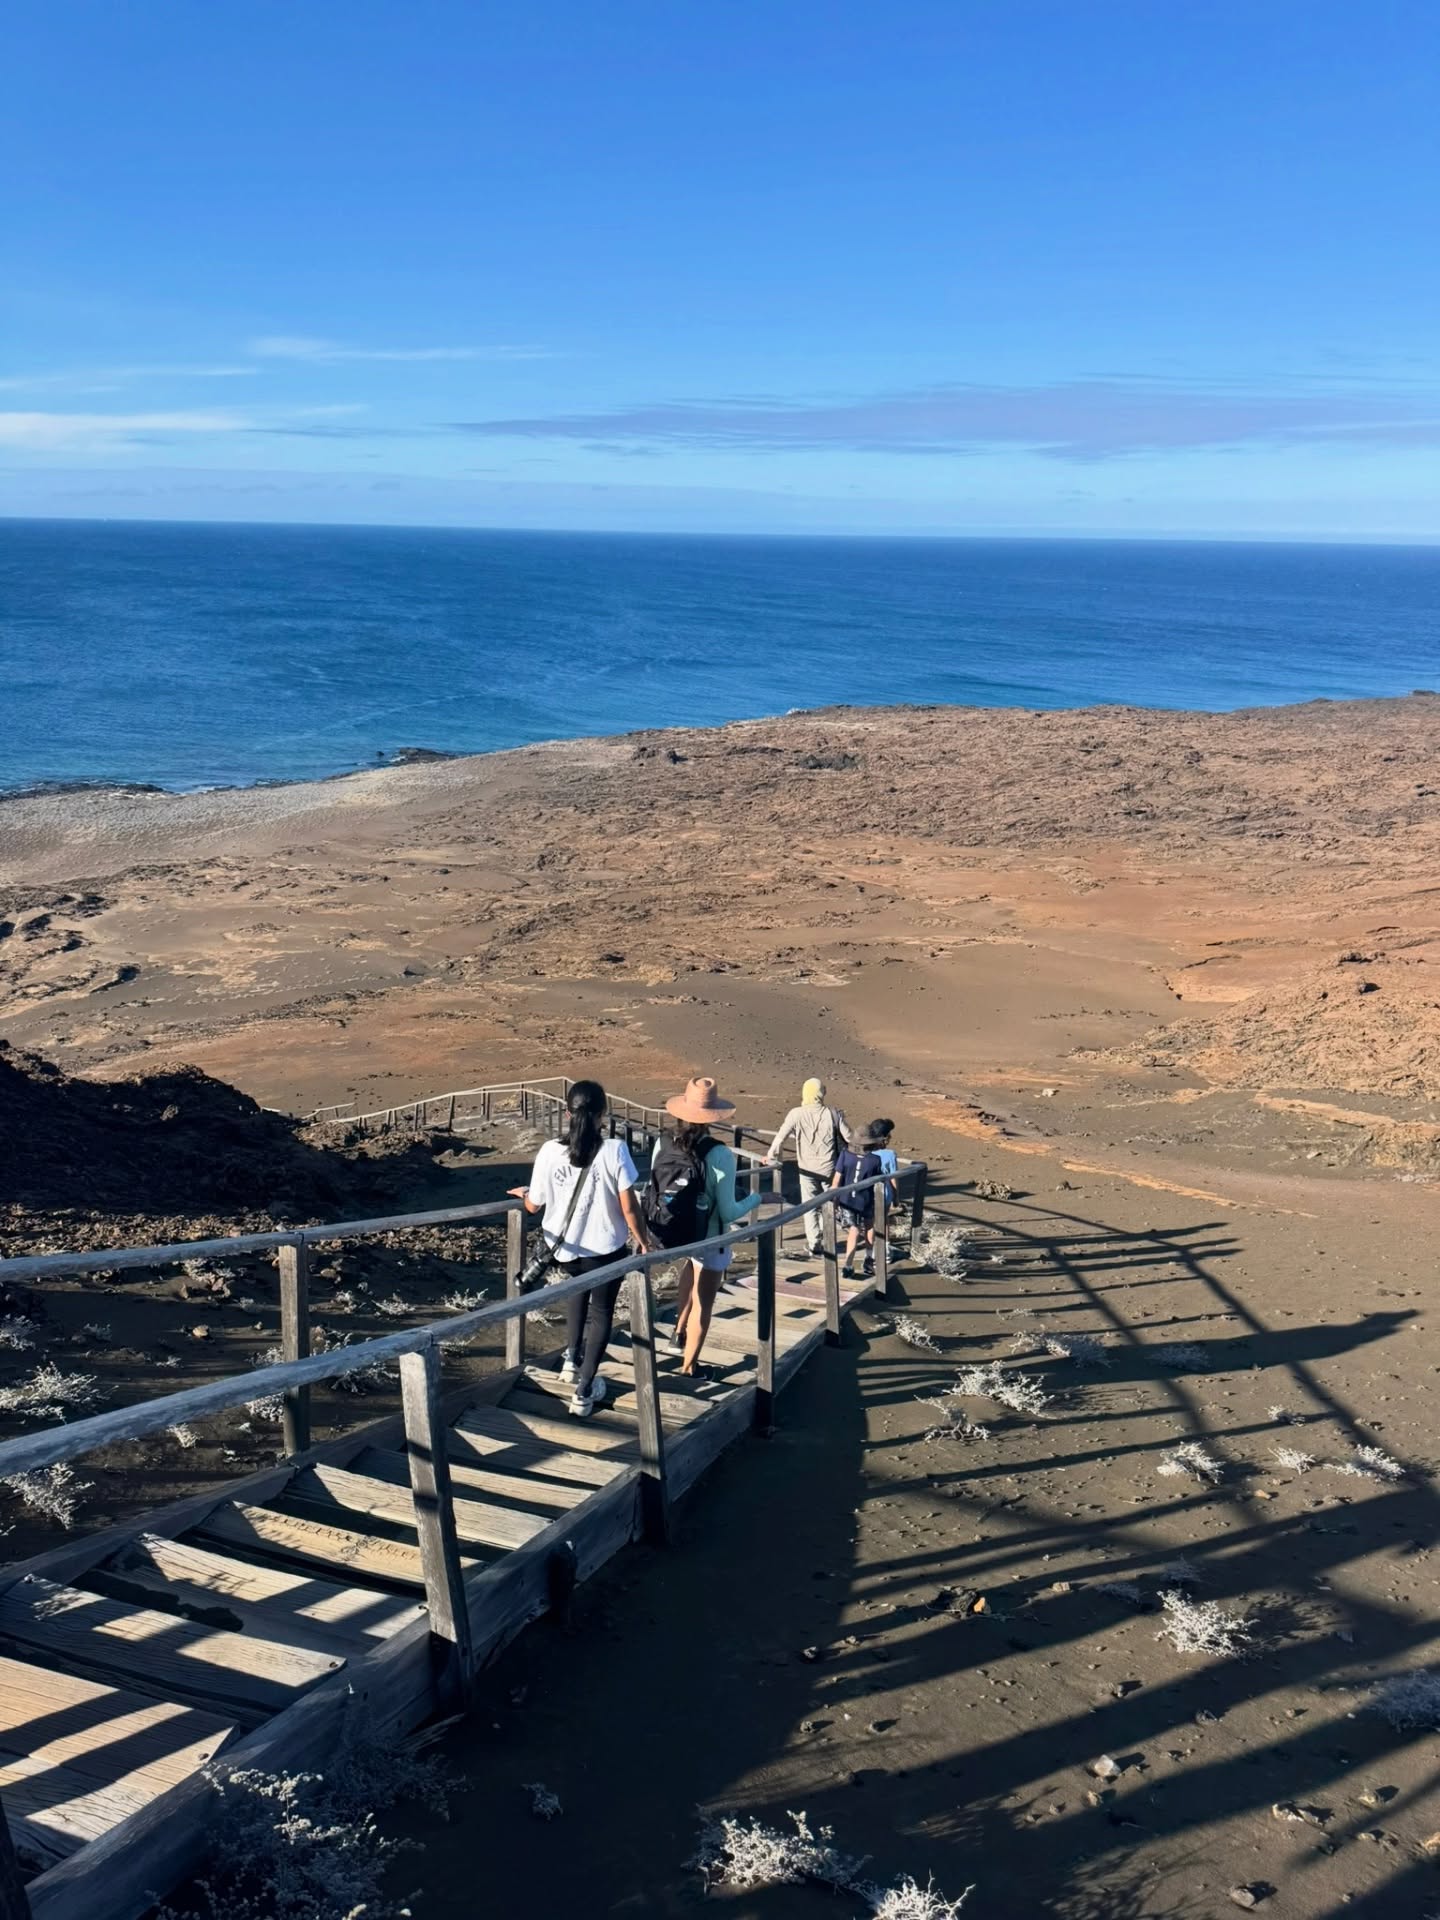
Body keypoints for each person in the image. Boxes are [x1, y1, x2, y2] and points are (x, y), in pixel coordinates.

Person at [508, 1079, 653, 1418]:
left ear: (566, 1112)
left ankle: (571, 1362)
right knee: (601, 1313)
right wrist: (644, 1241)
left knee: (576, 1294)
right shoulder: (615, 1150)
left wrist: (524, 1194)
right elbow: (630, 1207)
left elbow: (533, 1207)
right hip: (605, 1249)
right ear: (604, 1114)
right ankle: (584, 1390)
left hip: (564, 1249)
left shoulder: (548, 1151)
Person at [646, 1077, 762, 1376]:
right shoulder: (719, 1153)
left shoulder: (662, 1141)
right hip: (708, 1238)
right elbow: (728, 1210)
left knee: (690, 1265)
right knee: (705, 1303)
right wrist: (758, 1198)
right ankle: (689, 1367)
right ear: (713, 1116)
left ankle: (677, 1331)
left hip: (672, 1229)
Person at [764, 1077, 850, 1257]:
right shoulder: (833, 1113)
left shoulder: (796, 1113)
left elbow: (781, 1136)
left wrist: (770, 1155)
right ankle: (828, 1240)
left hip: (806, 1169)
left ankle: (814, 1243)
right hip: (830, 1169)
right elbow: (849, 1138)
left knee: (810, 1206)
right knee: (829, 1205)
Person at [831, 1121, 889, 1280]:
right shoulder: (875, 1160)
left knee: (853, 1230)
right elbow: (878, 1180)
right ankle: (869, 1259)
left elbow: (836, 1180)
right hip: (866, 1198)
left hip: (847, 1198)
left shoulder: (845, 1154)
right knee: (870, 1227)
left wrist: (834, 1200)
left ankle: (848, 1264)